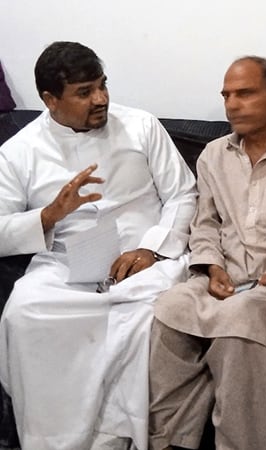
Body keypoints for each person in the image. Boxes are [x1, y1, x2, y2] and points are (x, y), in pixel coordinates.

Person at [0, 42, 197, 450]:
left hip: (146, 261)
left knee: (148, 320)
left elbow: (183, 195)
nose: (101, 99)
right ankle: (51, 439)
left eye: (103, 86)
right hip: (64, 269)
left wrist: (152, 249)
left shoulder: (141, 126)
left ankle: (121, 438)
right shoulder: (17, 152)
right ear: (50, 100)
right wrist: (49, 214)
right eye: (85, 91)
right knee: (22, 312)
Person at [148, 56, 266, 450]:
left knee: (238, 324)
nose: (232, 104)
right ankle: (171, 441)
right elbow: (205, 223)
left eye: (244, 93)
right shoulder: (213, 155)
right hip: (221, 281)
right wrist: (210, 266)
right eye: (226, 95)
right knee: (169, 310)